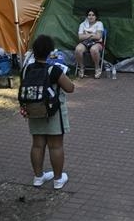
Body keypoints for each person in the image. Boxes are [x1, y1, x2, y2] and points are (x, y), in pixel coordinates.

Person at [26, 34, 75, 190]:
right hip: (53, 111)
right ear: (50, 52)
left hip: (34, 109)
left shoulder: (27, 68)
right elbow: (70, 88)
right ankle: (58, 179)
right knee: (55, 146)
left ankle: (38, 177)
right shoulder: (54, 69)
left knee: (37, 144)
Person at [74, 9, 105, 79]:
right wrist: (92, 34)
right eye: (89, 15)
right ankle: (81, 68)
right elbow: (80, 37)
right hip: (85, 42)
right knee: (78, 49)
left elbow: (98, 37)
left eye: (93, 15)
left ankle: (97, 68)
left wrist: (86, 34)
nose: (91, 17)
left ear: (96, 17)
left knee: (94, 49)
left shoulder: (99, 24)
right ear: (87, 16)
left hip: (97, 42)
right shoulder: (82, 24)